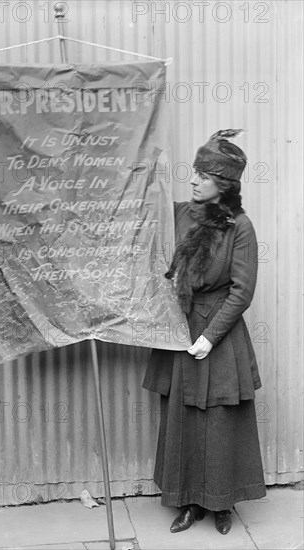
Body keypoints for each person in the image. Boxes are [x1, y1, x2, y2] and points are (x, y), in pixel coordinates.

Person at [143, 129, 266, 535]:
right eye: (193, 173)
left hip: (218, 334)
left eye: (202, 175)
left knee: (219, 421)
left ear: (223, 184)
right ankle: (190, 503)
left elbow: (242, 291)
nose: (193, 180)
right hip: (180, 326)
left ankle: (223, 502)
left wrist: (210, 336)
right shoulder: (179, 212)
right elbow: (138, 207)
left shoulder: (240, 228)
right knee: (184, 419)